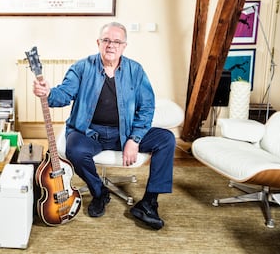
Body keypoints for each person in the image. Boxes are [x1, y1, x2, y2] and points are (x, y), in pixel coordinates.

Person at [33, 22, 175, 230]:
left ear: (124, 46)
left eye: (117, 41)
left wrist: (134, 140)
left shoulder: (135, 70)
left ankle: (148, 203)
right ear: (98, 43)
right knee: (75, 149)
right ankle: (99, 192)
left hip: (124, 133)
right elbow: (63, 94)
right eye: (107, 40)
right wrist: (48, 93)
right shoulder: (81, 67)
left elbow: (147, 107)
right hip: (90, 132)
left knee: (166, 139)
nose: (111, 45)